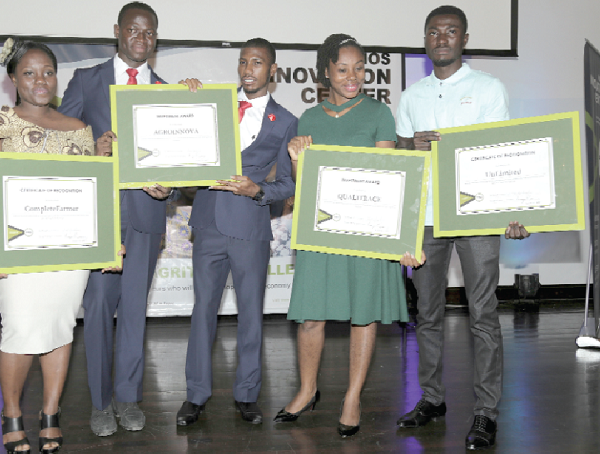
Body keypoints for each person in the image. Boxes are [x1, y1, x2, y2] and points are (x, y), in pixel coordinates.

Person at [274, 33, 423, 438]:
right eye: (343, 69)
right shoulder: (309, 120)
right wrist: (295, 158)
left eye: (359, 68)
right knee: (309, 316)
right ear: (326, 72)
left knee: (363, 315)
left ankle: (352, 397)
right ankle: (307, 390)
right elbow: (303, 188)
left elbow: (391, 178)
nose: (352, 76)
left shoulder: (379, 113)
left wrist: (402, 238)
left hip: (366, 234)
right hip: (322, 232)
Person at [394, 5, 529, 451]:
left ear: (464, 38)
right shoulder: (411, 96)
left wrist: (512, 209)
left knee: (483, 315)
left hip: (477, 217)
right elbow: (401, 161)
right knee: (427, 315)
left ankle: (486, 412)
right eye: (434, 31)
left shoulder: (489, 89)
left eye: (451, 31)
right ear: (426, 39)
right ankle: (432, 399)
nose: (442, 38)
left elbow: (501, 154)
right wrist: (408, 145)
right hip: (429, 219)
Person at [0, 38, 96, 454]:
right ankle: (11, 414)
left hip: (68, 252)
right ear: (13, 79)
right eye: (29, 72)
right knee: (21, 331)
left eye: (47, 72)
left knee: (61, 329)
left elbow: (89, 195)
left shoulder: (79, 130)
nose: (40, 80)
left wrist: (105, 246)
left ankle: (50, 414)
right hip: (16, 252)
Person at [57, 1, 172, 437]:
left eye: (149, 33)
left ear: (155, 38)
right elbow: (59, 145)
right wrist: (92, 151)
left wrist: (169, 188)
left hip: (146, 215)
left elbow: (174, 164)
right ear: (118, 32)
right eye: (133, 31)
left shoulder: (166, 91)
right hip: (100, 217)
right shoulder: (86, 81)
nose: (141, 40)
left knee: (135, 315)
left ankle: (128, 398)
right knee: (101, 309)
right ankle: (101, 403)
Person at [176, 38, 297, 426]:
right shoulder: (212, 103)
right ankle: (195, 395)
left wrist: (258, 189)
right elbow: (178, 136)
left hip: (250, 227)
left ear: (272, 71)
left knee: (251, 317)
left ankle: (247, 394)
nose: (248, 69)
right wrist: (184, 98)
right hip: (209, 223)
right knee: (202, 314)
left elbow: (290, 185)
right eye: (243, 61)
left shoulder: (287, 121)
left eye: (257, 63)